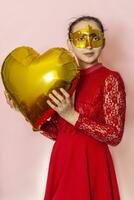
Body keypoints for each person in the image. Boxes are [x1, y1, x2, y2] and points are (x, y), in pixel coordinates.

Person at [5, 16, 126, 200]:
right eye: (80, 38)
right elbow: (59, 132)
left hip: (92, 163)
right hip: (63, 159)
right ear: (69, 43)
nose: (88, 45)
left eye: (94, 37)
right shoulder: (60, 80)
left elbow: (114, 135)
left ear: (103, 41)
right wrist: (23, 110)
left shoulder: (110, 79)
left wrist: (72, 115)